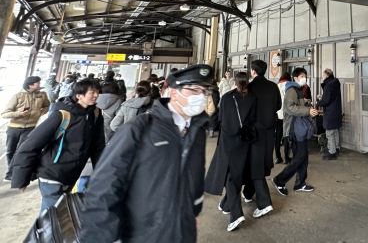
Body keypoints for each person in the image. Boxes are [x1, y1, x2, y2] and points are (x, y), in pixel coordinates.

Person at [81, 65, 215, 243]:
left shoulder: (197, 131)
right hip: (143, 232)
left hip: (183, 229)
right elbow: (103, 186)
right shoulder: (140, 128)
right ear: (175, 93)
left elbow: (196, 176)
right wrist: (103, 236)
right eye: (194, 90)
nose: (201, 97)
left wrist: (194, 213)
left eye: (204, 91)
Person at [11, 78, 105, 213]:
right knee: (52, 216)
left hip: (72, 173)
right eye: (92, 92)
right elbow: (30, 145)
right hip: (52, 172)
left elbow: (98, 146)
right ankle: (41, 234)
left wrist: (101, 171)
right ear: (79, 95)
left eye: (97, 92)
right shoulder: (62, 115)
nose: (96, 95)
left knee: (60, 215)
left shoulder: (94, 114)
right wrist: (21, 178)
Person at [205, 72, 256, 232]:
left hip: (227, 141)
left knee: (228, 175)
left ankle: (236, 214)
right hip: (243, 141)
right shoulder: (252, 98)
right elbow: (253, 119)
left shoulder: (227, 97)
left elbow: (220, 118)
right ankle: (226, 204)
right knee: (236, 173)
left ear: (234, 81)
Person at [242, 60, 281, 213]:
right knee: (262, 161)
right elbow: (278, 105)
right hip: (270, 129)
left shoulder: (249, 87)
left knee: (255, 163)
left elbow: (245, 108)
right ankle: (248, 192)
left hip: (254, 131)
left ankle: (264, 203)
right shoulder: (273, 86)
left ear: (253, 71)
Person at [272, 68, 318, 196]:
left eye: (305, 76)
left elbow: (298, 104)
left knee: (303, 156)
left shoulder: (298, 90)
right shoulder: (291, 90)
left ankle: (300, 183)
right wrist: (307, 111)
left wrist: (307, 104)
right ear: (296, 78)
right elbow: (289, 107)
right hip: (294, 129)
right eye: (302, 76)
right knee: (300, 157)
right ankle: (279, 180)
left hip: (299, 129)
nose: (305, 78)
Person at [1, 75, 50, 182]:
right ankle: (13, 169)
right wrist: (18, 113)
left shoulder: (42, 95)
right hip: (14, 127)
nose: (39, 85)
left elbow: (47, 106)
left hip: (30, 127)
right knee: (10, 151)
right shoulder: (17, 96)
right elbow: (4, 114)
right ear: (31, 85)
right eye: (38, 83)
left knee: (20, 150)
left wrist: (40, 112)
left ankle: (11, 173)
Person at [317, 68, 342, 160]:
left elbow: (326, 101)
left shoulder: (328, 85)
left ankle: (332, 153)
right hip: (336, 111)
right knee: (335, 131)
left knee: (330, 132)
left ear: (326, 76)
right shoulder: (335, 83)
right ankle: (336, 148)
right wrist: (324, 96)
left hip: (330, 112)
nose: (322, 77)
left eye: (323, 75)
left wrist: (318, 102)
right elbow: (332, 97)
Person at [275, 72, 292, 164]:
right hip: (287, 114)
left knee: (278, 136)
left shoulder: (276, 86)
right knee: (286, 135)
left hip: (278, 114)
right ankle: (286, 157)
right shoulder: (289, 86)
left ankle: (278, 157)